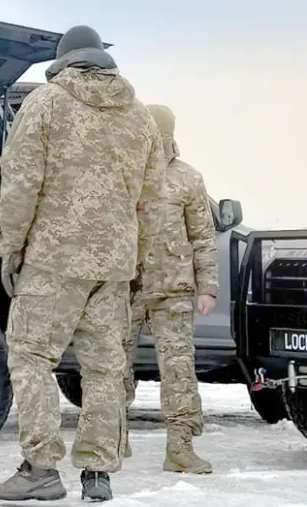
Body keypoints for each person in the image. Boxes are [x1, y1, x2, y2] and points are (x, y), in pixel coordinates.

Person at [0, 25, 165, 503]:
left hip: (54, 259)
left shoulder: (45, 103)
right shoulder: (142, 118)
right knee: (105, 370)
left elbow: (20, 181)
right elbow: (152, 199)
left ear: (63, 59)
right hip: (114, 267)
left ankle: (41, 468)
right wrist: (136, 260)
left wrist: (12, 248)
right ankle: (99, 475)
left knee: (30, 356)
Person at [123, 104, 217, 474]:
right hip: (125, 287)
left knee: (178, 369)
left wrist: (207, 287)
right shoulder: (123, 171)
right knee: (112, 368)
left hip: (173, 291)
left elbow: (203, 237)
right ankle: (110, 440)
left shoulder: (187, 178)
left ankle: (180, 448)